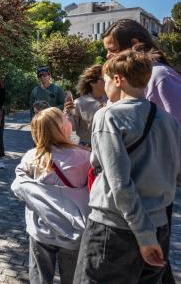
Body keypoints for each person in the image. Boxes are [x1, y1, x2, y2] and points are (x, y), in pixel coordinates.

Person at [73, 50, 181, 284]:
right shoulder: (169, 121)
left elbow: (119, 183)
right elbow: (173, 172)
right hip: (159, 227)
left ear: (118, 79)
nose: (105, 87)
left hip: (114, 230)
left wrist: (143, 235)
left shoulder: (109, 116)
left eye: (107, 80)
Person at [102, 18, 181, 283]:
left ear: (135, 45)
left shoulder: (160, 76)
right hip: (138, 197)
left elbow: (174, 135)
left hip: (148, 195)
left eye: (112, 49)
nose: (108, 55)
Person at [11, 107, 91, 284]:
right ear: (63, 128)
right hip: (74, 232)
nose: (69, 119)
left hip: (41, 230)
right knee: (72, 279)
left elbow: (19, 185)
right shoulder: (85, 158)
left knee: (39, 278)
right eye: (66, 118)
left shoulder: (32, 157)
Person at [64, 65, 107, 146]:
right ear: (92, 83)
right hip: (88, 148)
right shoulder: (79, 103)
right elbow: (71, 127)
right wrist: (67, 112)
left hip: (109, 145)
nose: (108, 81)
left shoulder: (112, 99)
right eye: (104, 79)